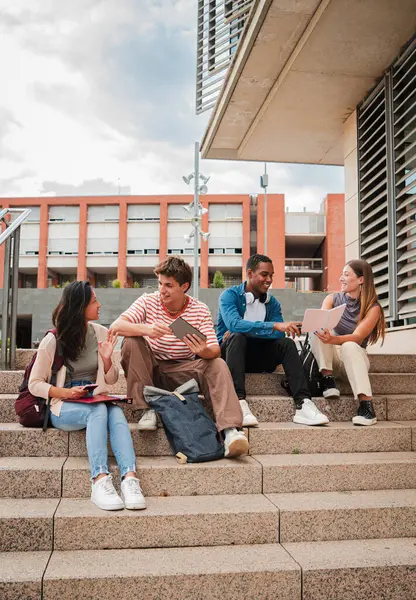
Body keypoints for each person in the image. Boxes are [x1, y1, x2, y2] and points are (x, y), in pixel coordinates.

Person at [110, 256, 249, 458]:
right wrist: (146, 329)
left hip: (184, 371)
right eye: (160, 283)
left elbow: (214, 349)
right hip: (149, 371)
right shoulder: (148, 301)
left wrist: (203, 351)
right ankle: (145, 410)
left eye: (169, 285)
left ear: (184, 286)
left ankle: (230, 431)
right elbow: (116, 326)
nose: (162, 290)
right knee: (131, 341)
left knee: (217, 363)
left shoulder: (199, 309)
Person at [29, 281, 146, 511]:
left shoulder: (101, 333)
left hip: (94, 397)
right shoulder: (53, 340)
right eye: (94, 301)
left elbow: (111, 380)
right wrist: (65, 392)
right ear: (80, 306)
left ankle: (129, 479)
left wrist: (106, 359)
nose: (99, 305)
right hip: (62, 404)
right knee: (99, 410)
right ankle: (99, 480)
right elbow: (35, 384)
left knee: (115, 412)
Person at [217, 254, 329, 426]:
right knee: (237, 337)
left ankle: (303, 403)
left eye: (271, 275)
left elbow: (278, 335)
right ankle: (238, 402)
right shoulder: (229, 296)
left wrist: (250, 330)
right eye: (264, 274)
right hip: (231, 355)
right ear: (250, 273)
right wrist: (271, 326)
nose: (269, 279)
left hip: (258, 357)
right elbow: (234, 324)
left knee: (287, 343)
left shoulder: (272, 303)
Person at [310, 259, 386, 426]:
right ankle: (328, 379)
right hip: (333, 361)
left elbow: (358, 337)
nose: (341, 278)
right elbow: (322, 320)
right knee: (317, 329)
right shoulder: (332, 299)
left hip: (354, 359)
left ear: (361, 279)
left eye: (346, 274)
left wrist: (334, 339)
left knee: (350, 345)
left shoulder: (373, 308)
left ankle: (366, 407)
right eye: (341, 274)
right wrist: (322, 331)